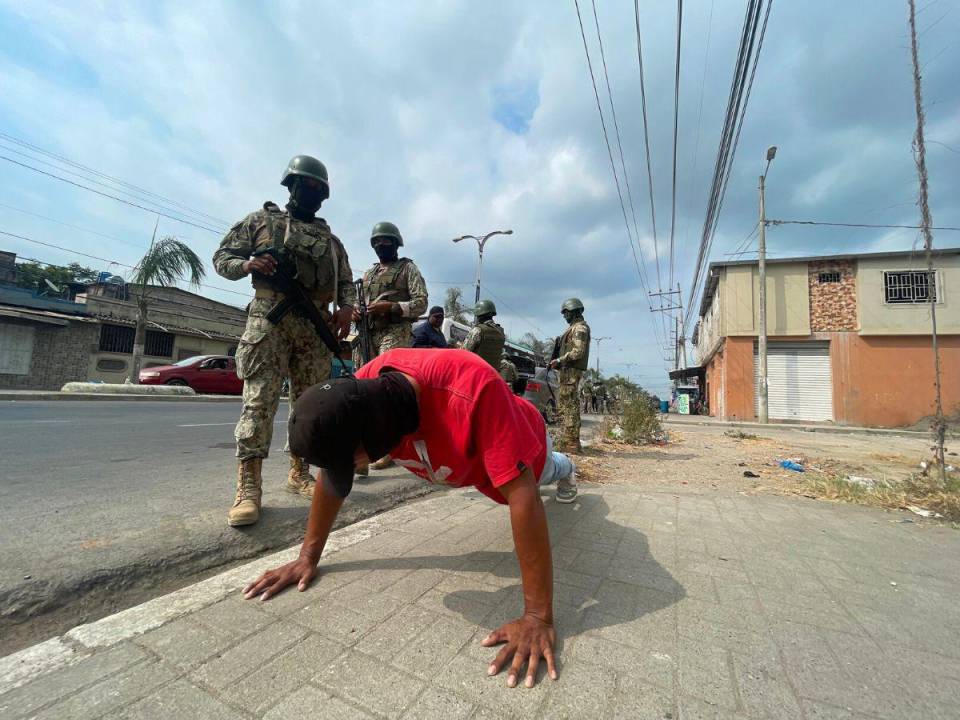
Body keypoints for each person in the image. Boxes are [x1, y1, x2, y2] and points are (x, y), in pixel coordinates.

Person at [242, 348, 578, 689]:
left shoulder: (473, 388)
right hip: (467, 466)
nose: (353, 468)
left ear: (379, 428)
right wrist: (307, 557)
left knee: (544, 472)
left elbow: (525, 497)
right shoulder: (359, 396)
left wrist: (538, 617)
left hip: (524, 439)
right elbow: (331, 480)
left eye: (354, 459)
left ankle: (569, 468)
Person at [213, 155, 355, 527]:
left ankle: (299, 473)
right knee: (259, 402)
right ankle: (248, 487)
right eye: (303, 186)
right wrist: (248, 265)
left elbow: (347, 287)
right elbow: (222, 258)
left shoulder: (332, 242)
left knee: (310, 407)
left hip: (314, 326)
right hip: (269, 320)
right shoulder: (260, 223)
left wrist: (346, 310)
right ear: (289, 186)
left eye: (316, 189)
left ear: (324, 197)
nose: (309, 193)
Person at [354, 221, 428, 472]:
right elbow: (359, 302)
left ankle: (387, 448)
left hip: (395, 331)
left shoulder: (408, 269)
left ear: (396, 243)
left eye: (385, 241)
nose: (380, 245)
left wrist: (394, 307)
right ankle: (363, 448)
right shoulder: (369, 273)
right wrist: (355, 312)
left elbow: (421, 304)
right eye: (376, 242)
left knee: (386, 390)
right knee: (362, 389)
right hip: (368, 333)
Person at [548, 298, 590, 454]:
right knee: (567, 406)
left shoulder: (579, 329)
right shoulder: (574, 328)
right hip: (567, 372)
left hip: (571, 372)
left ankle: (571, 443)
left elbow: (578, 352)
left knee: (569, 407)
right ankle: (571, 441)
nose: (564, 316)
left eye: (566, 313)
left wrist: (559, 360)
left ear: (574, 312)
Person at [462, 299, 505, 370]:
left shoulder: (478, 330)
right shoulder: (501, 331)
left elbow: (464, 352)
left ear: (479, 315)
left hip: (478, 373)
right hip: (493, 373)